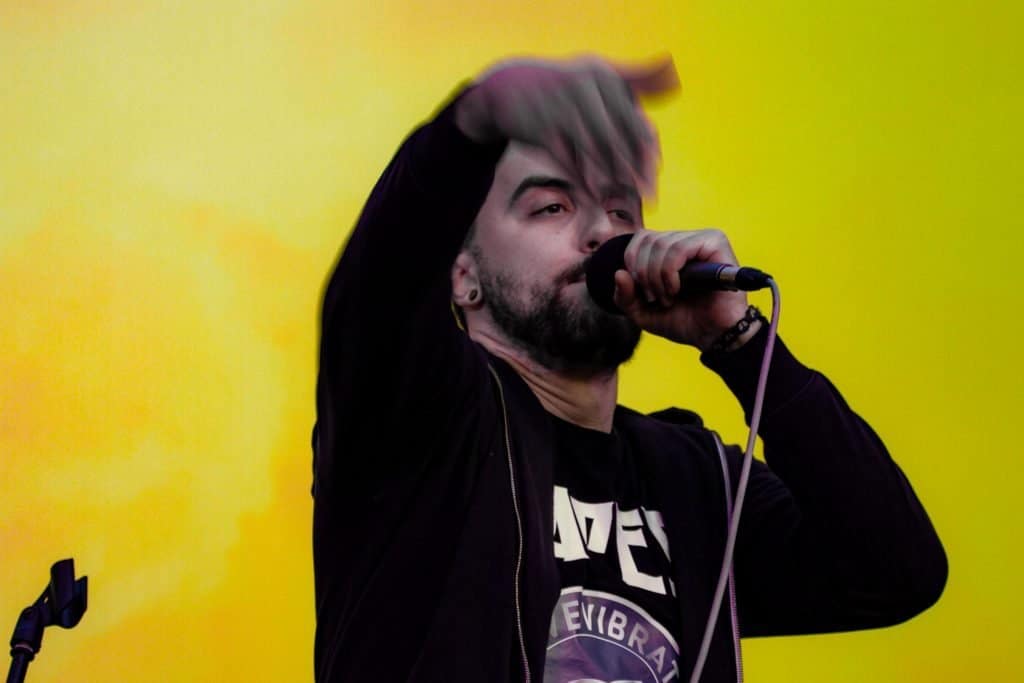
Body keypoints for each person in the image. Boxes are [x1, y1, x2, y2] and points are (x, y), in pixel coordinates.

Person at [311, 55, 947, 683]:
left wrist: (743, 343)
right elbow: (380, 286)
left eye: (621, 211)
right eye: (551, 207)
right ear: (462, 275)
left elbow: (896, 572)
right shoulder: (421, 422)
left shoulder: (694, 480)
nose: (600, 233)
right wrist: (472, 122)